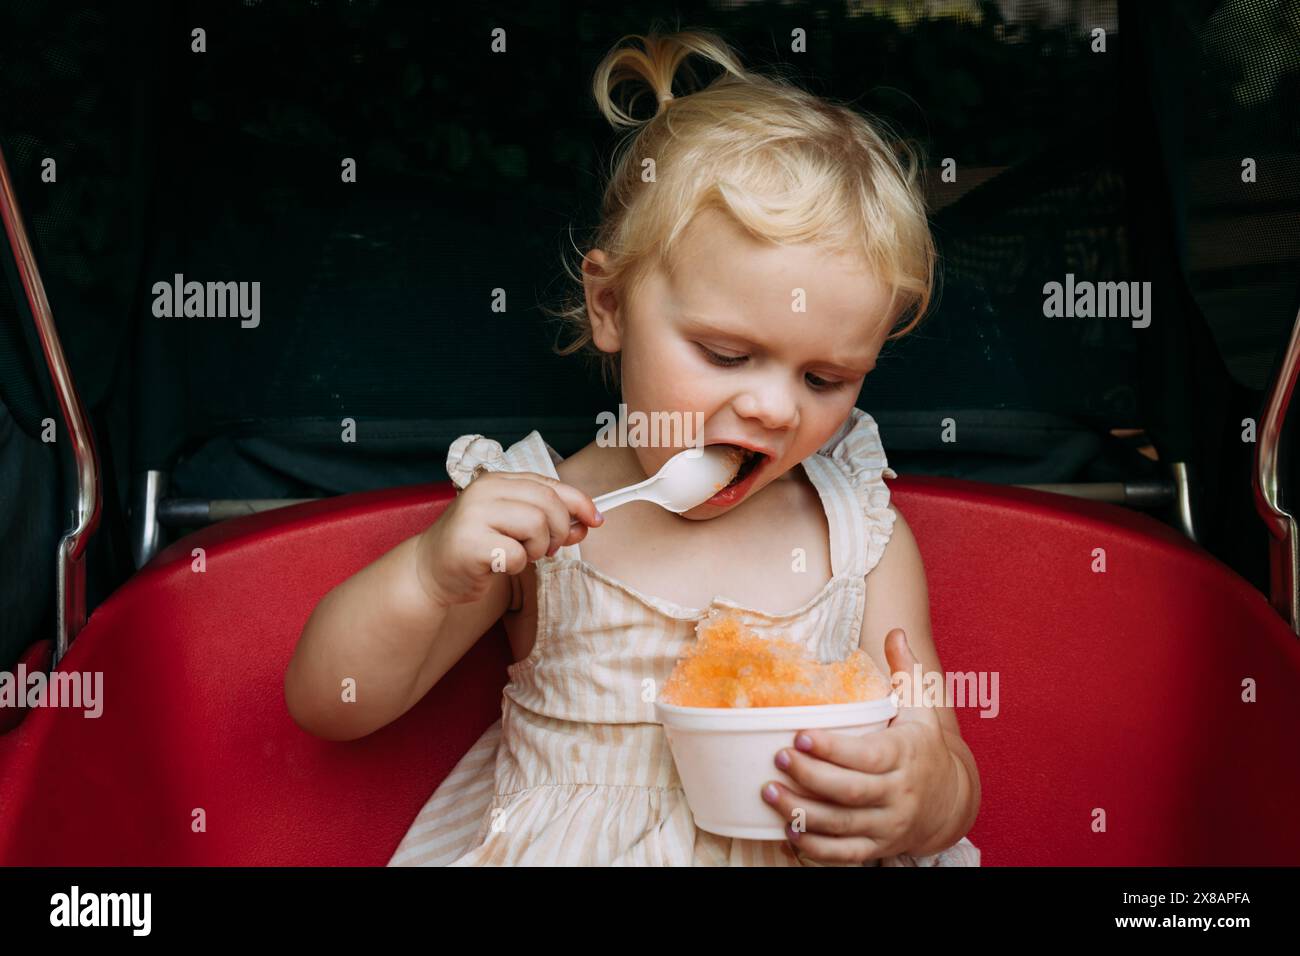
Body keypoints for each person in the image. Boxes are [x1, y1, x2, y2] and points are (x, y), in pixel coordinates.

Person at [286, 28, 980, 867]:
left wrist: (926, 795)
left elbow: (936, 741)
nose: (769, 406)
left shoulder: (858, 539)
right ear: (610, 304)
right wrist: (432, 573)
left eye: (825, 380)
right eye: (727, 355)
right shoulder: (534, 520)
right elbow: (332, 702)